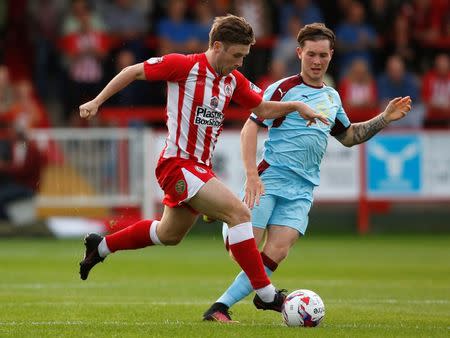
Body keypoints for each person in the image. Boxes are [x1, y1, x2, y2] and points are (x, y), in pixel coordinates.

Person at [78, 15, 328, 314]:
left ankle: (101, 246)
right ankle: (267, 293)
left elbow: (262, 108)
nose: (240, 63)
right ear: (218, 46)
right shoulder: (184, 66)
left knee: (168, 234)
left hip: (200, 168)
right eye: (237, 55)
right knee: (239, 213)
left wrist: (296, 105)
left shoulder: (231, 80)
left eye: (244, 57)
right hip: (177, 164)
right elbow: (133, 71)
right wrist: (97, 101)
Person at [203, 22, 411, 323]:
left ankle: (220, 308)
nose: (317, 61)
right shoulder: (282, 88)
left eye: (323, 56)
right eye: (311, 54)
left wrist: (383, 119)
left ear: (331, 56)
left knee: (277, 251)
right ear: (299, 53)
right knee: (240, 253)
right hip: (270, 179)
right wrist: (251, 174)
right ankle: (222, 213)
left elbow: (349, 136)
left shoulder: (332, 98)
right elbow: (251, 126)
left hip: (302, 189)